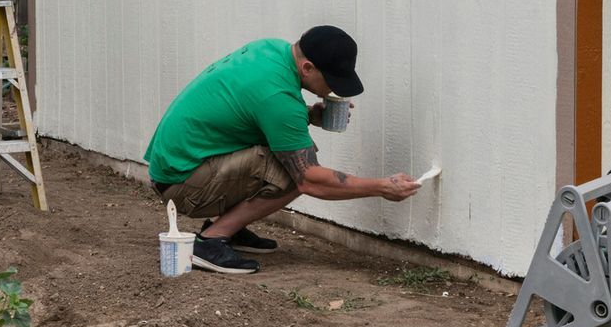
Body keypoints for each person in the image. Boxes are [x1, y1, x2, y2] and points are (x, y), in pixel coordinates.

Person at [145, 26, 422, 275]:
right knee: (295, 174)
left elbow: (254, 106)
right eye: (332, 80)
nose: (333, 89)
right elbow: (311, 180)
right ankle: (211, 242)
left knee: (287, 150)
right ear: (308, 68)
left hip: (176, 165)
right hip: (181, 184)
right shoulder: (279, 100)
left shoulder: (271, 50)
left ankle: (230, 227)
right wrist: (381, 187)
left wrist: (309, 115)